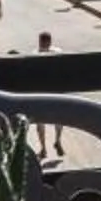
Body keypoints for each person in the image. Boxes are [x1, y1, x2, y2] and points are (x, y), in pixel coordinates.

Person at [35, 30, 66, 160]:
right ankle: (57, 141)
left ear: (40, 42)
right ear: (50, 41)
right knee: (58, 120)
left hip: (41, 93)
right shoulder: (58, 53)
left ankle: (43, 149)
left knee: (40, 123)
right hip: (56, 92)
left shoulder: (34, 55)